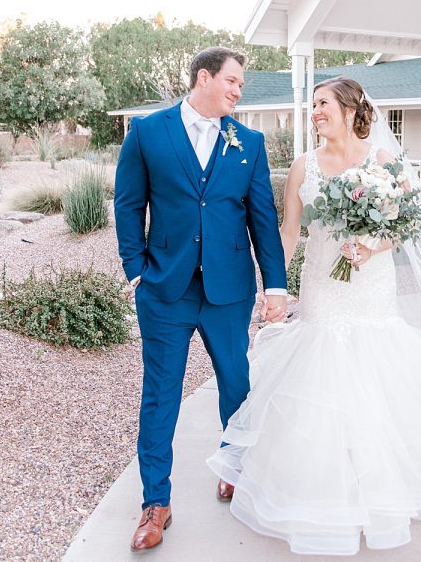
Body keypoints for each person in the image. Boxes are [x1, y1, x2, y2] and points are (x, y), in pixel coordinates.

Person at [207, 77, 421, 555]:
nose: (315, 112)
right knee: (320, 368)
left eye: (323, 104)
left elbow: (410, 224)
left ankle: (375, 479)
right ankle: (324, 477)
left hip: (370, 283)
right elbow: (288, 233)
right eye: (313, 105)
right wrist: (276, 288)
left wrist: (372, 244)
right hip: (324, 283)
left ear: (350, 110)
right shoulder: (303, 167)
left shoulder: (384, 162)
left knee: (372, 368)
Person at [115, 46, 288, 552]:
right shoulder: (148, 132)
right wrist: (135, 272)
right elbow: (129, 205)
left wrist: (273, 284)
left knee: (236, 385)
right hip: (164, 290)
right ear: (204, 78)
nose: (238, 90)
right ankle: (155, 503)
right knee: (160, 396)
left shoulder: (249, 142)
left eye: (241, 85)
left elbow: (263, 221)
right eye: (233, 81)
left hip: (228, 292)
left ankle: (234, 469)